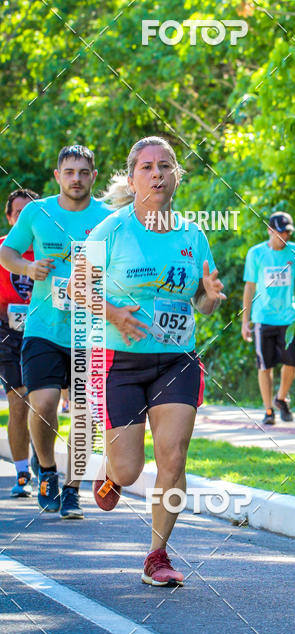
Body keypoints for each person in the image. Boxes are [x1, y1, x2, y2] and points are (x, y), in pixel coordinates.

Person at [70, 135, 225, 587]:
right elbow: (77, 287)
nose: (157, 174)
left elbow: (203, 303)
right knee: (129, 469)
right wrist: (114, 313)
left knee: (173, 457)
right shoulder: (111, 229)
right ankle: (112, 470)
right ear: (132, 177)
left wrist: (210, 297)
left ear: (177, 175)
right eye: (147, 167)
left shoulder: (192, 235)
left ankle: (157, 554)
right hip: (119, 360)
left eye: (165, 166)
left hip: (176, 360)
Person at [0, 145, 111, 518]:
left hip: (90, 331)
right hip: (44, 328)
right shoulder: (37, 212)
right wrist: (28, 269)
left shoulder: (110, 218)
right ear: (57, 175)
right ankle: (47, 471)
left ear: (93, 176)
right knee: (44, 404)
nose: (76, 179)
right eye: (69, 172)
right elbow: (7, 253)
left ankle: (73, 489)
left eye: (83, 172)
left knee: (83, 413)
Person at [241, 212, 295, 425]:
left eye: (287, 233)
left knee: (292, 362)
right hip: (263, 317)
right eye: (280, 233)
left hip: (288, 318)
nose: (284, 237)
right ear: (270, 231)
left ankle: (281, 398)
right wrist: (245, 321)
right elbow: (249, 287)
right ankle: (268, 410)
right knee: (265, 366)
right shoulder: (256, 253)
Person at [0, 188, 39, 496]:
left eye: (30, 213)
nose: (23, 219)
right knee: (18, 401)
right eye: (18, 213)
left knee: (44, 403)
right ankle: (22, 472)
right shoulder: (2, 249)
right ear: (10, 218)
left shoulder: (50, 251)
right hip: (7, 334)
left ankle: (43, 458)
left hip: (45, 333)